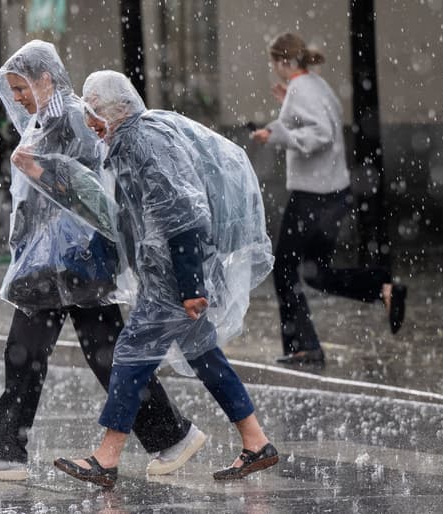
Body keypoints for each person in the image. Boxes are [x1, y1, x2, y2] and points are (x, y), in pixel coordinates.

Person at [0, 41, 205, 482]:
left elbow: (95, 189)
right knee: (57, 353)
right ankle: (171, 435)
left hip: (78, 259)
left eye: (21, 87)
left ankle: (5, 452)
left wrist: (39, 172)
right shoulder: (43, 120)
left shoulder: (74, 117)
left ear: (45, 79)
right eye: (12, 89)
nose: (15, 97)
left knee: (72, 354)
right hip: (48, 262)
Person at [52, 70, 278, 488]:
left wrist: (191, 285)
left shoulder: (142, 141)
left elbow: (183, 212)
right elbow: (130, 216)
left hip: (173, 281)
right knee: (205, 355)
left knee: (130, 356)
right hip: (166, 278)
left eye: (93, 112)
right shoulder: (126, 143)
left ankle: (107, 456)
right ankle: (256, 441)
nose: (89, 122)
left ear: (115, 110)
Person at [251, 33, 407, 367]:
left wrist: (278, 134)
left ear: (282, 61)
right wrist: (286, 111)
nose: (273, 68)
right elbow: (326, 121)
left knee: (283, 269)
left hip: (312, 195)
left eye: (273, 61)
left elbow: (321, 134)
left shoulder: (301, 88)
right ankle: (382, 287)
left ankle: (304, 346)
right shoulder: (315, 85)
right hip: (334, 193)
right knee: (316, 273)